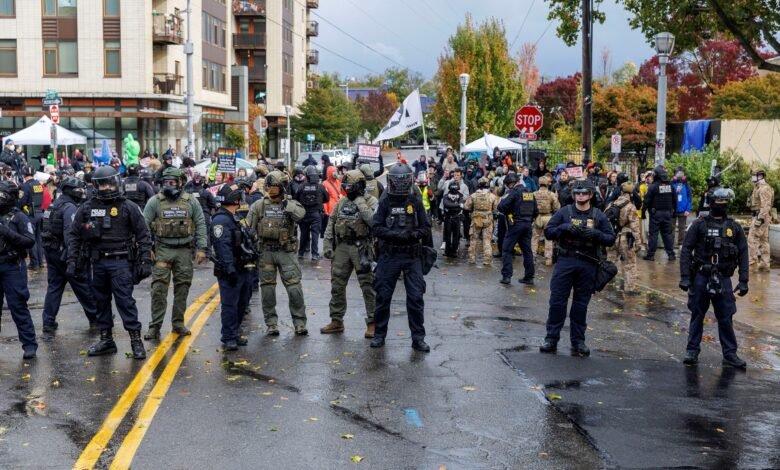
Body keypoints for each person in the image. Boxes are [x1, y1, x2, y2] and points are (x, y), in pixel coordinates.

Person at [67, 166, 153, 359]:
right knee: (100, 302)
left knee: (125, 302)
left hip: (120, 262)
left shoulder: (129, 207)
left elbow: (144, 236)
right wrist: (72, 261)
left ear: (116, 183)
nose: (106, 188)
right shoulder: (86, 208)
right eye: (102, 185)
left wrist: (145, 260)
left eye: (109, 184)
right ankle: (106, 340)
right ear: (96, 186)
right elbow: (74, 235)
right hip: (96, 263)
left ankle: (136, 341)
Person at [540, 179, 615, 356]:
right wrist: (565, 228)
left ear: (590, 195)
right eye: (577, 193)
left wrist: (596, 234)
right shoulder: (564, 212)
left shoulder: (598, 215)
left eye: (584, 193)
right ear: (573, 195)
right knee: (557, 302)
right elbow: (548, 232)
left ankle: (578, 342)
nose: (580, 196)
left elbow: (610, 238)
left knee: (581, 305)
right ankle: (551, 339)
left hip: (588, 263)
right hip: (566, 261)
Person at [679, 188, 749, 368]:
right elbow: (686, 250)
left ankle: (730, 353)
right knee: (697, 314)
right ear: (711, 204)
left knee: (726, 317)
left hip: (723, 277)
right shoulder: (699, 224)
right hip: (701, 275)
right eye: (718, 203)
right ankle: (692, 350)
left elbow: (743, 253)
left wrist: (744, 280)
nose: (721, 206)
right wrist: (685, 277)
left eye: (724, 203)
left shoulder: (734, 227)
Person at [370, 164, 432, 352]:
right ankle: (379, 335)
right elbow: (376, 227)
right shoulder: (385, 200)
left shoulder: (415, 199)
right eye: (397, 181)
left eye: (402, 181)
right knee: (383, 296)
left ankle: (418, 338)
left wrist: (412, 236)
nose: (399, 185)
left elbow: (426, 227)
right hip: (390, 254)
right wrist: (394, 235)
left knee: (415, 298)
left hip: (411, 254)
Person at [142, 168, 208, 340]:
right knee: (158, 290)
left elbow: (200, 223)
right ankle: (155, 327)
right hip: (163, 250)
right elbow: (143, 226)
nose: (169, 185)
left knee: (182, 289)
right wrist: (146, 248)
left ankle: (178, 324)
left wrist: (202, 248)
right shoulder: (155, 201)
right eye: (166, 182)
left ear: (181, 183)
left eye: (172, 182)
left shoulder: (191, 201)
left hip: (184, 251)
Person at [245, 170, 308, 336]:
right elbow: (249, 227)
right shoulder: (259, 205)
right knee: (267, 290)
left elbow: (301, 215)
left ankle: (300, 323)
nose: (271, 189)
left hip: (286, 251)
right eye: (269, 186)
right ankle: (271, 323)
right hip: (265, 251)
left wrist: (287, 204)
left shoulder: (291, 204)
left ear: (283, 187)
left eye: (274, 186)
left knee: (294, 288)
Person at [321, 170, 379, 338]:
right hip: (342, 246)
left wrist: (360, 202)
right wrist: (327, 244)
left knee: (368, 286)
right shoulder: (342, 202)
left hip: (362, 247)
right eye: (345, 187)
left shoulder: (371, 201)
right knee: (337, 285)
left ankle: (373, 322)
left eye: (350, 187)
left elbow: (373, 221)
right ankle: (336, 320)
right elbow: (331, 222)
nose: (347, 190)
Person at [40, 177, 98, 333]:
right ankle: (96, 317)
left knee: (55, 286)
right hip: (65, 253)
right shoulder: (70, 208)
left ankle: (48, 321)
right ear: (70, 191)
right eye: (79, 190)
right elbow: (70, 235)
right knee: (82, 285)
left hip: (52, 251)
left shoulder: (54, 204)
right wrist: (74, 256)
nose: (82, 192)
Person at [211, 182, 255, 351]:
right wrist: (229, 270)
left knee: (242, 303)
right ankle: (228, 337)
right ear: (235, 200)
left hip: (243, 267)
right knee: (230, 305)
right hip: (231, 270)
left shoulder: (235, 217)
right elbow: (223, 248)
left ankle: (235, 333)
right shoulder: (221, 220)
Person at [0, 180, 38, 359]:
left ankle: (29, 344)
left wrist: (6, 232)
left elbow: (29, 241)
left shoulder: (19, 217)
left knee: (18, 306)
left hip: (12, 266)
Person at [498, 172, 538, 285]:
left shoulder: (513, 192)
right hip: (527, 225)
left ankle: (506, 277)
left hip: (515, 225)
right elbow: (536, 211)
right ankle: (529, 277)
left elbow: (501, 206)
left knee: (506, 249)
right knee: (527, 251)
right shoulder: (530, 192)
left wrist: (508, 210)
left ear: (510, 183)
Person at [605, 182, 641, 294]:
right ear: (631, 194)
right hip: (625, 239)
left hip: (612, 237)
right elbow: (635, 227)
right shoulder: (630, 207)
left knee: (610, 262)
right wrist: (638, 242)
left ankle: (606, 284)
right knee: (629, 264)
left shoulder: (611, 204)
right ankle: (630, 289)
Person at [294, 165, 329, 261]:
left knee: (303, 234)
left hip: (304, 214)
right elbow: (327, 198)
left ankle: (301, 253)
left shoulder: (301, 186)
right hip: (316, 214)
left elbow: (296, 198)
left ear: (307, 176)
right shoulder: (320, 187)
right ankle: (314, 254)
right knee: (315, 234)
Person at [642, 166, 676, 261]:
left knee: (653, 235)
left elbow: (646, 200)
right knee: (667, 234)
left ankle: (651, 255)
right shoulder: (670, 186)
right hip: (668, 213)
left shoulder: (653, 186)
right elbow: (674, 199)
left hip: (656, 214)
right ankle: (671, 254)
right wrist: (674, 212)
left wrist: (643, 211)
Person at [464, 177, 497, 265]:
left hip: (476, 219)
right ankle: (487, 260)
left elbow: (466, 207)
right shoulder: (492, 196)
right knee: (487, 240)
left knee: (473, 239)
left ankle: (472, 259)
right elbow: (496, 208)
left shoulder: (473, 195)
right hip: (488, 220)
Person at [747, 169, 774, 271]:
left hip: (761, 216)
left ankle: (752, 264)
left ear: (760, 176)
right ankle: (764, 264)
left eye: (754, 175)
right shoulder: (758, 187)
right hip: (761, 216)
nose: (752, 177)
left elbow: (766, 205)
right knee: (763, 240)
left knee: (752, 239)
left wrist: (760, 219)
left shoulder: (764, 188)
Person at [19, 167, 45, 271]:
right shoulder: (38, 184)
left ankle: (34, 263)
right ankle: (40, 261)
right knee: (38, 239)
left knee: (31, 239)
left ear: (24, 175)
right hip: (39, 212)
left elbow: (21, 202)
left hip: (30, 214)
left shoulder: (25, 186)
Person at [532, 175, 561, 266]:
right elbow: (557, 207)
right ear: (548, 184)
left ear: (539, 184)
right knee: (548, 239)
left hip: (537, 218)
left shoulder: (534, 194)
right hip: (548, 217)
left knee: (535, 238)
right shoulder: (551, 194)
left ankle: (532, 258)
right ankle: (548, 260)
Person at [441, 180, 465, 258]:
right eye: (453, 187)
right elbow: (446, 204)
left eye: (455, 187)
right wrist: (457, 205)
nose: (454, 189)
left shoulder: (460, 196)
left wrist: (455, 205)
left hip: (456, 217)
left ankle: (454, 251)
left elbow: (461, 205)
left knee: (456, 235)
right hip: (448, 217)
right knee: (447, 235)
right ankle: (447, 251)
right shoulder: (446, 196)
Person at [671, 167, 693, 247]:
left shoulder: (686, 184)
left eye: (681, 173)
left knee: (682, 228)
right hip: (673, 209)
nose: (680, 175)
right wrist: (675, 191)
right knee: (671, 227)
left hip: (683, 210)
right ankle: (670, 243)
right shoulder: (671, 183)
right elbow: (668, 195)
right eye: (678, 173)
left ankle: (681, 243)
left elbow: (689, 197)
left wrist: (688, 209)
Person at [321, 166, 343, 239]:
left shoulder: (338, 182)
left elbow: (342, 192)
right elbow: (324, 198)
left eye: (336, 171)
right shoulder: (325, 183)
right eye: (334, 172)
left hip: (338, 207)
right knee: (330, 228)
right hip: (330, 209)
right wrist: (325, 210)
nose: (336, 173)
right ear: (330, 173)